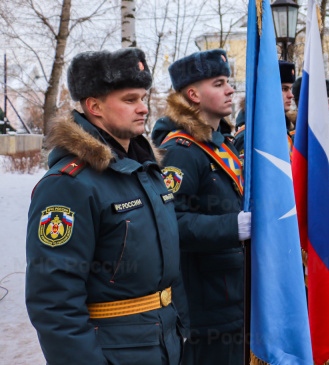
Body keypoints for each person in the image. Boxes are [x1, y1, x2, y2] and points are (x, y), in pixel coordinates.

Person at [26, 48, 185, 364]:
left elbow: (169, 274)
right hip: (114, 352)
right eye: (130, 100)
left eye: (143, 97)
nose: (143, 108)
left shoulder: (147, 172)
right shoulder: (68, 184)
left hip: (164, 345)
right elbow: (54, 302)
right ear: (94, 106)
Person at [151, 49, 249, 365]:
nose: (230, 89)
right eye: (219, 83)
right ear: (193, 94)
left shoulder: (220, 143)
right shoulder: (181, 151)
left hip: (232, 295)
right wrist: (232, 226)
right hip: (206, 305)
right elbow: (169, 223)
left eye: (228, 82)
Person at [233, 59, 296, 156]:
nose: (291, 95)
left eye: (290, 89)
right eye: (284, 89)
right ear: (266, 90)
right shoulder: (249, 136)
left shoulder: (283, 128)